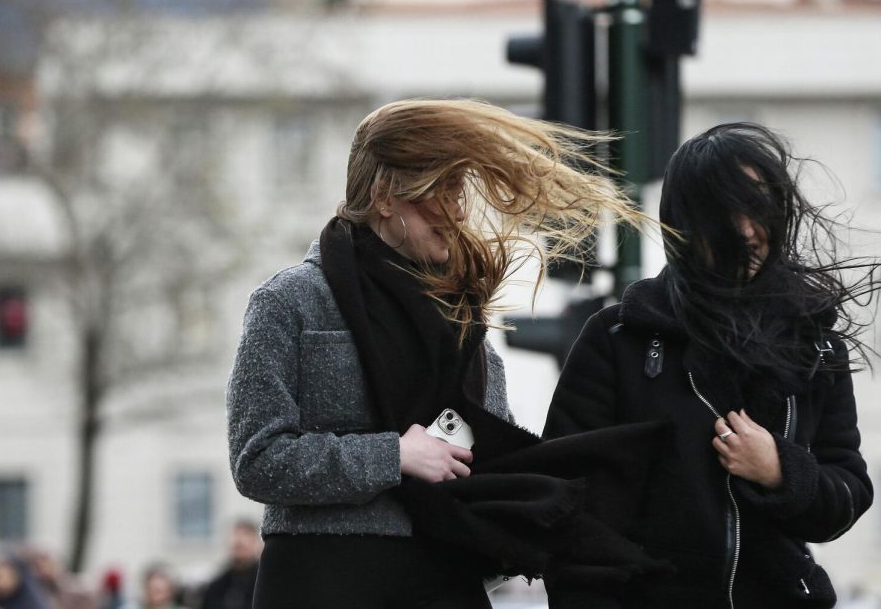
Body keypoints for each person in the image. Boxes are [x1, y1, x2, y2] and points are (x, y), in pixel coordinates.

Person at [226, 98, 645, 608]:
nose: (462, 210)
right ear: (386, 196)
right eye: (445, 190)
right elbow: (258, 460)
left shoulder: (463, 317)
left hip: (443, 577)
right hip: (322, 575)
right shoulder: (291, 301)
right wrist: (394, 455)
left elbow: (486, 456)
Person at [544, 122, 881, 608]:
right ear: (686, 225)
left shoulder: (814, 346)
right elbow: (567, 509)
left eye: (760, 209)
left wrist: (780, 470)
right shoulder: (618, 340)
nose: (749, 231)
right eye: (729, 212)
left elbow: (847, 494)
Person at [198, 520, 261, 609]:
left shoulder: (265, 584)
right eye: (235, 535)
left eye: (245, 535)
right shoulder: (216, 587)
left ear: (256, 543)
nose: (238, 540)